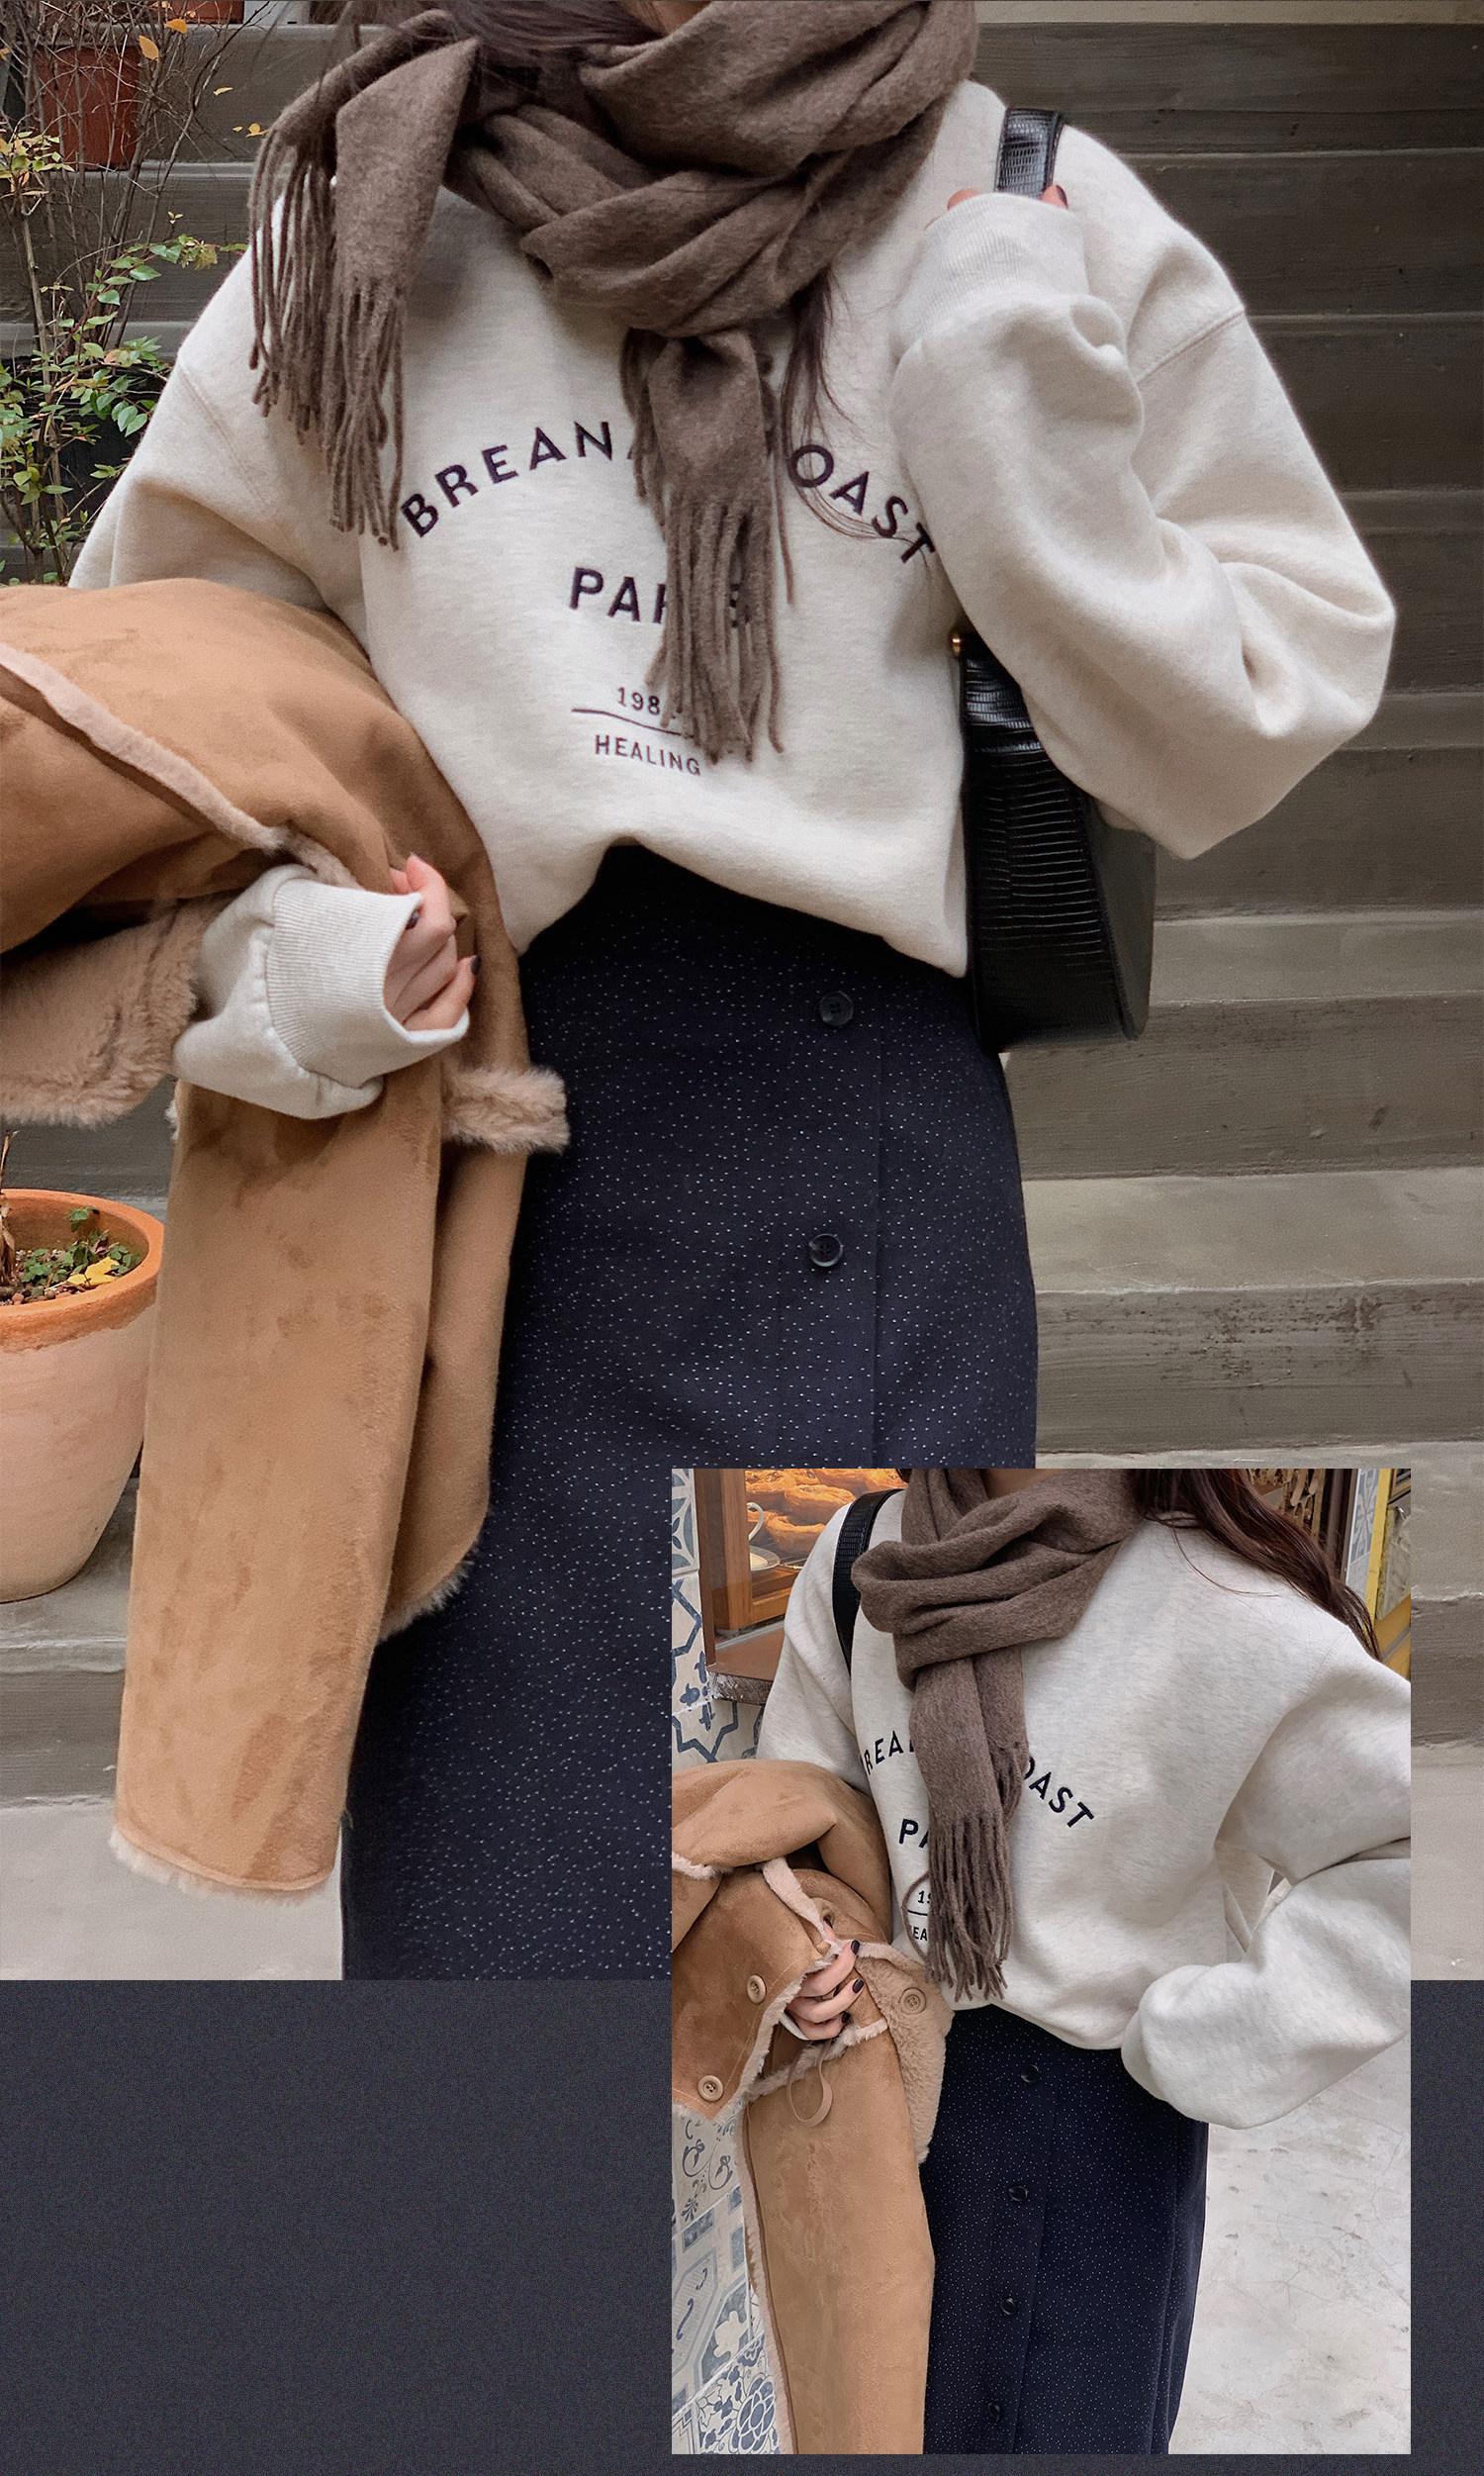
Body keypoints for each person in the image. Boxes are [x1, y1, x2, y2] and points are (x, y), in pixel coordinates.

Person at [73, 1, 1393, 1977]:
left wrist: (1013, 430)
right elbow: (154, 742)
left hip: (868, 1175)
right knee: (502, 1939)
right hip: (469, 1191)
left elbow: (1254, 708)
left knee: (845, 1953)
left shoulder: (1018, 210)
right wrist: (309, 973)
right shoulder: (369, 223)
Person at [755, 1467, 1411, 2454]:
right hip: (882, 2096)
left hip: (1100, 2128)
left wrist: (1214, 2042)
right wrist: (809, 1945)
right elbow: (806, 1805)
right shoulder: (862, 1557)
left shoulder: (1221, 1602)